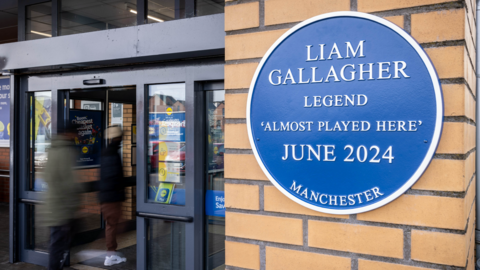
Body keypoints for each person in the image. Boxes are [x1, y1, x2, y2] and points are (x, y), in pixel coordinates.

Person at [43, 124, 82, 270]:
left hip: (54, 206)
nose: (77, 137)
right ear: (69, 134)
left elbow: (49, 177)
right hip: (62, 208)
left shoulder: (53, 149)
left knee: (56, 243)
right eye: (76, 134)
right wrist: (74, 205)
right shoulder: (66, 152)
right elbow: (68, 183)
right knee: (59, 245)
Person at [99, 125, 127, 266]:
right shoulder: (112, 153)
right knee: (112, 225)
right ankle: (110, 255)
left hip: (108, 196)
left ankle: (111, 253)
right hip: (111, 197)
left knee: (113, 225)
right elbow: (113, 177)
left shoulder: (109, 151)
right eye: (120, 136)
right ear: (117, 137)